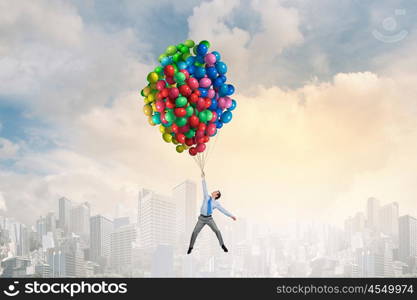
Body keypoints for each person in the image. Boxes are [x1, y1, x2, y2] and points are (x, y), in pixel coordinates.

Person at [187, 171, 236, 254]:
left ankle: (222, 245)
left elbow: (223, 210)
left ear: (216, 195)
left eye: (215, 192)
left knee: (217, 231)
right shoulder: (206, 197)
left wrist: (231, 216)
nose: (213, 191)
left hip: (209, 219)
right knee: (195, 232)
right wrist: (203, 178)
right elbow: (204, 188)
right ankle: (190, 247)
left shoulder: (216, 204)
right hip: (201, 218)